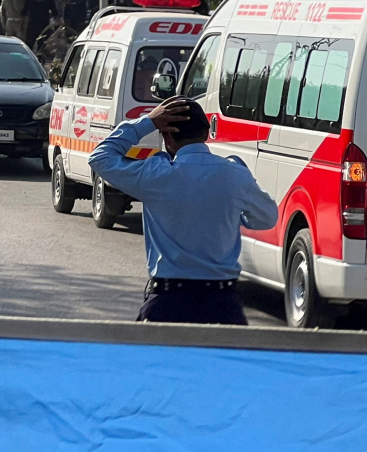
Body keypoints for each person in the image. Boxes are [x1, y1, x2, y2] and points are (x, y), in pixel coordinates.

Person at [88, 96, 278, 325]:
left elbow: (100, 157)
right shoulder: (235, 174)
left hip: (168, 303)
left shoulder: (157, 174)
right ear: (207, 132)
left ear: (167, 137)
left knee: (155, 360)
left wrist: (148, 122)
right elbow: (267, 218)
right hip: (221, 305)